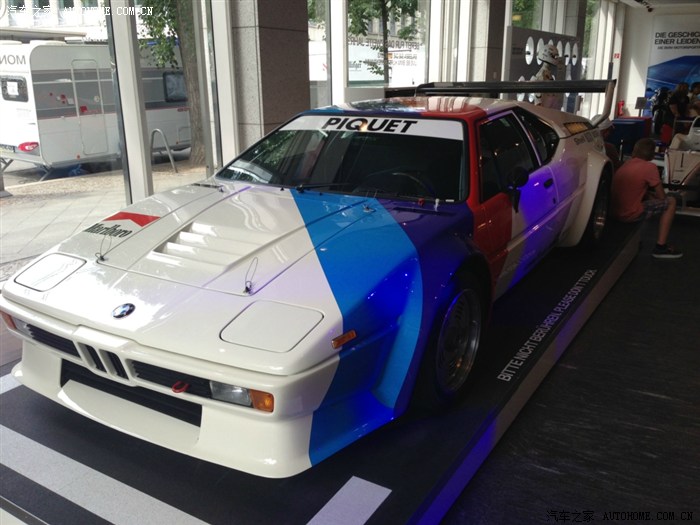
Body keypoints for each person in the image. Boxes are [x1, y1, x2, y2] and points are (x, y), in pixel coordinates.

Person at [611, 138, 683, 259]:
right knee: (671, 202)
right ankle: (660, 247)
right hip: (628, 213)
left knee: (646, 197)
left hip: (613, 212)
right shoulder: (650, 167)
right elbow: (662, 197)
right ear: (651, 153)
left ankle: (637, 240)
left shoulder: (627, 164)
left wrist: (650, 195)